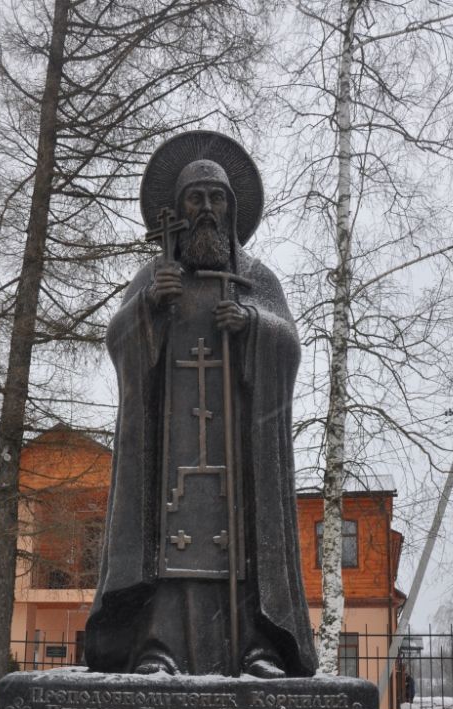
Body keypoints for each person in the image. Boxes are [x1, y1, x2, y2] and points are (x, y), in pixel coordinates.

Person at [85, 131, 317, 678]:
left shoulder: (255, 278)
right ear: (178, 209)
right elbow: (119, 342)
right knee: (167, 538)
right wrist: (148, 307)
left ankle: (257, 648)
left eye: (217, 198)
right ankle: (156, 648)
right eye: (196, 198)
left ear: (232, 209)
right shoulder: (155, 275)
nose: (207, 208)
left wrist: (253, 325)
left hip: (240, 447)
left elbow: (288, 344)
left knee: (243, 538)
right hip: (169, 445)